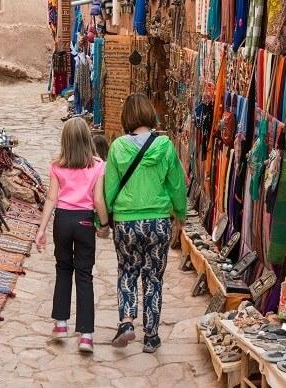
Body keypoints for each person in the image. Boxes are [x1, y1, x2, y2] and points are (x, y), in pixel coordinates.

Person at [103, 94, 187, 353]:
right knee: (153, 278)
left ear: (127, 117)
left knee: (127, 271)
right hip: (158, 223)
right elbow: (176, 184)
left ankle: (127, 323)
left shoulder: (117, 147)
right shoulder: (165, 146)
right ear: (150, 114)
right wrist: (180, 215)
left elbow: (110, 187)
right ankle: (151, 336)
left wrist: (102, 218)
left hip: (126, 221)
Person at [35, 118, 109, 353]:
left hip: (63, 221)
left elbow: (51, 199)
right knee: (84, 275)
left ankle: (60, 324)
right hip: (85, 221)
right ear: (88, 138)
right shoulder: (98, 166)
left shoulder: (57, 166)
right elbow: (98, 200)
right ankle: (86, 335)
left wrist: (41, 229)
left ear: (64, 141)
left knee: (63, 269)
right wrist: (105, 223)